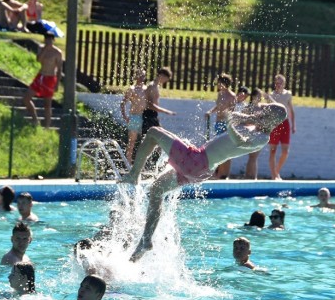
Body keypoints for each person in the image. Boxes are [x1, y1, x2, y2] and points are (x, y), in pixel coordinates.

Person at [121, 102, 287, 261]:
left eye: (265, 111)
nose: (260, 111)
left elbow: (239, 141)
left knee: (153, 132)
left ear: (270, 119)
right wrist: (243, 117)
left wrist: (230, 124)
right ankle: (146, 240)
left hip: (198, 161)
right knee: (157, 189)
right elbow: (236, 116)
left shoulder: (262, 138)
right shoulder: (253, 125)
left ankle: (134, 175)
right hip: (200, 166)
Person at [21, 32, 63, 128]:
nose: (48, 41)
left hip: (50, 78)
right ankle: (35, 119)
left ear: (53, 40)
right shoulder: (41, 48)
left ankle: (47, 127)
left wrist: (57, 84)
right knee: (26, 98)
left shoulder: (57, 52)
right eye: (46, 39)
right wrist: (44, 49)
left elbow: (60, 69)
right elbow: (39, 60)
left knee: (47, 104)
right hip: (41, 76)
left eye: (50, 39)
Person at [204, 73, 237, 179]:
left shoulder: (232, 96)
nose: (217, 85)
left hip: (225, 125)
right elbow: (218, 106)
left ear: (223, 83)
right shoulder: (220, 94)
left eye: (218, 83)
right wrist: (210, 111)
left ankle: (224, 174)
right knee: (218, 148)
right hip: (218, 124)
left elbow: (232, 112)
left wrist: (226, 115)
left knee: (225, 149)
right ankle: (218, 173)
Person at [267, 74, 296, 180]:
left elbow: (291, 110)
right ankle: (273, 175)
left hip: (285, 123)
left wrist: (293, 125)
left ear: (284, 84)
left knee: (285, 151)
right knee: (273, 151)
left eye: (280, 83)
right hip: (274, 124)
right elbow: (268, 111)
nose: (278, 85)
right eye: (277, 82)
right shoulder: (272, 95)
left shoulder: (288, 94)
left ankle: (276, 171)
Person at [120, 68, 148, 162]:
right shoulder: (132, 89)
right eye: (140, 75)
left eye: (143, 75)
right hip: (134, 117)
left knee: (144, 142)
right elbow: (123, 103)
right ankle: (128, 163)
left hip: (144, 117)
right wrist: (125, 117)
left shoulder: (147, 89)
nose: (142, 78)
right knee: (131, 142)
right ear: (136, 77)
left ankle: (140, 163)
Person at [141, 67, 176, 136]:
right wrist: (166, 111)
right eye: (166, 79)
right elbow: (150, 105)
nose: (165, 81)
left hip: (152, 115)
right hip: (148, 116)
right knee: (154, 138)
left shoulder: (155, 86)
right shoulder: (152, 86)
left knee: (159, 138)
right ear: (162, 75)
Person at [244, 88, 266, 179]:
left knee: (253, 157)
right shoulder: (250, 108)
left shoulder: (260, 107)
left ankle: (249, 176)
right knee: (253, 157)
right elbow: (244, 121)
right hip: (253, 133)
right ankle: (252, 177)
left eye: (261, 96)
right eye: (258, 96)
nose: (260, 98)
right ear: (253, 96)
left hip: (257, 134)